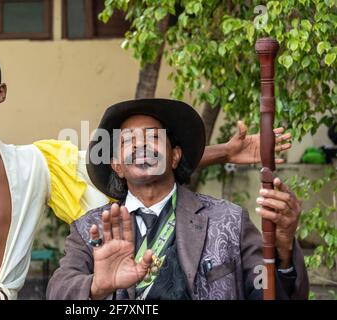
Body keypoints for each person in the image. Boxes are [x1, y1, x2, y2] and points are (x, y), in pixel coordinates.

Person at [0, 47, 292, 300]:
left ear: (0, 92)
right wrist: (96, 287)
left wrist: (224, 152)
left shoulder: (36, 166)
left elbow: (138, 165)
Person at [46, 98, 309, 300]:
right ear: (117, 165)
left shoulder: (228, 220)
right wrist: (95, 287)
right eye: (128, 140)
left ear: (174, 156)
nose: (141, 145)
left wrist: (283, 247)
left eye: (152, 136)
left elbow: (267, 291)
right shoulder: (89, 229)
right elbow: (58, 290)